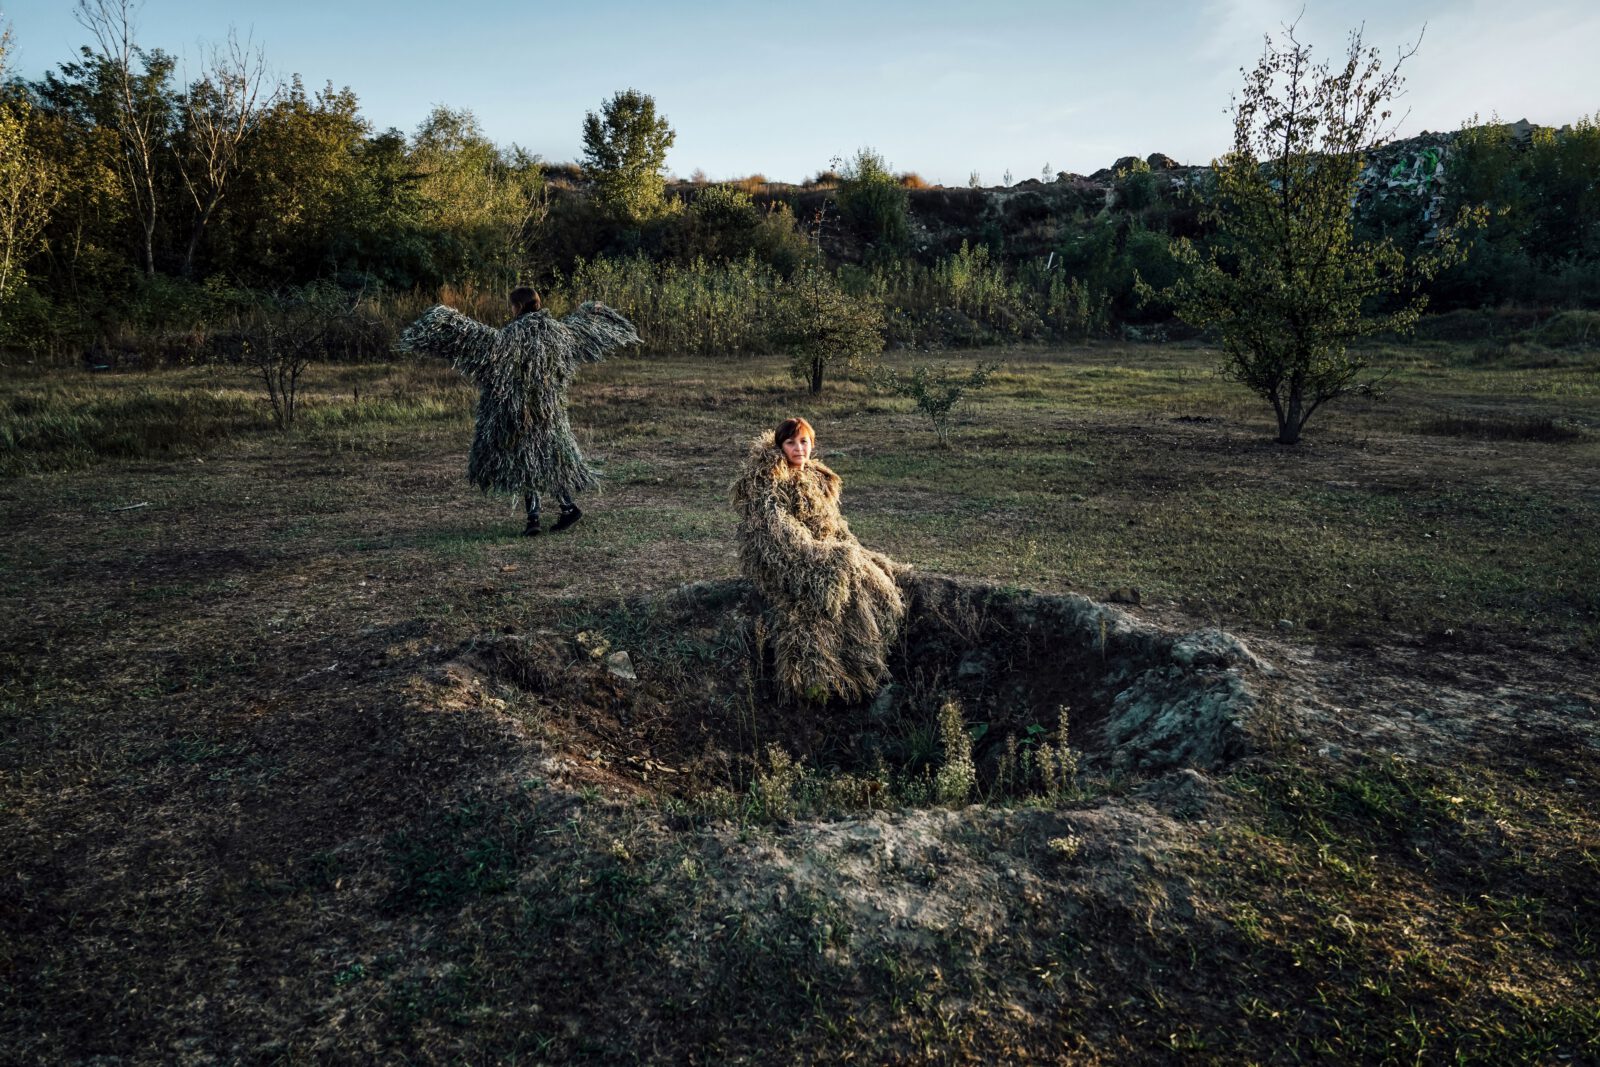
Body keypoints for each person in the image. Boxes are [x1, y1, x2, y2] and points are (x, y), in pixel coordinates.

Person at [399, 287, 638, 535]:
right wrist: (594, 311)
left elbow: (482, 349)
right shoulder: (559, 332)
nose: (510, 310)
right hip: (549, 413)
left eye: (511, 306)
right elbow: (581, 328)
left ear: (519, 306)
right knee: (549, 459)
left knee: (528, 460)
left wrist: (445, 320)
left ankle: (537, 519)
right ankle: (563, 510)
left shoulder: (509, 337)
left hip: (520, 413)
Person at [732, 416, 909, 703]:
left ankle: (865, 665)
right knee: (813, 609)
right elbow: (779, 532)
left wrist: (848, 549)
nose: (798, 449)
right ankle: (818, 682)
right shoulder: (768, 481)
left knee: (873, 584)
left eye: (804, 442)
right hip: (786, 559)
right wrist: (820, 555)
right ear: (780, 447)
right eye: (791, 443)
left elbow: (835, 525)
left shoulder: (818, 477)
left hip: (824, 550)